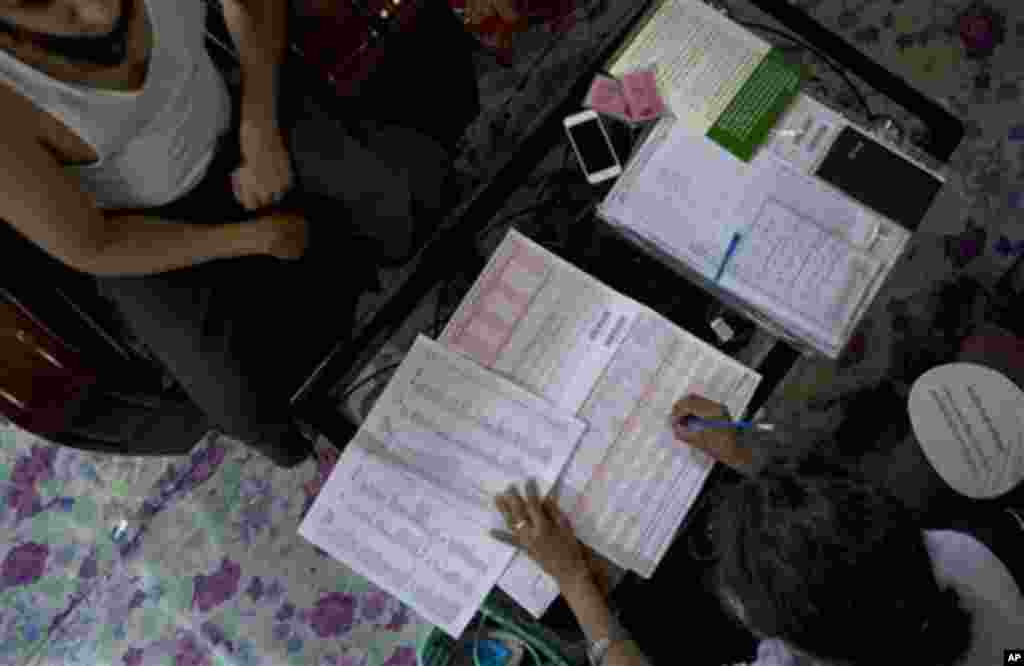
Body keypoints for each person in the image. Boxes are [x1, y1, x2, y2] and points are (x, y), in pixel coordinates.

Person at [0, 0, 478, 467]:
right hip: (139, 232)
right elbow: (90, 243)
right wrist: (250, 237)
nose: (98, 10)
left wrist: (260, 121)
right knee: (255, 410)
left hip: (236, 115)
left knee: (407, 202)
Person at [491, 394, 1024, 666]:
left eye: (740, 595)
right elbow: (840, 523)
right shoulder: (960, 559)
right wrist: (746, 453)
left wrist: (573, 580)